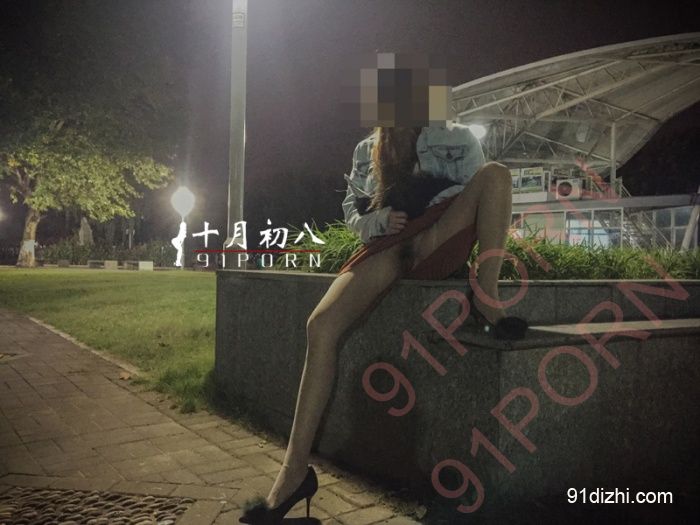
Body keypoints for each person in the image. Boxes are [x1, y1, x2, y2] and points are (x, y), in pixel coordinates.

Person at [239, 53, 528, 524]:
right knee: (320, 326)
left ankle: (487, 296)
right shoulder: (366, 150)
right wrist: (378, 220)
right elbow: (352, 214)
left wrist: (433, 203)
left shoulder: (455, 137)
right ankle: (292, 476)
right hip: (390, 243)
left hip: (439, 231)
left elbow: (480, 196)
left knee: (496, 174)